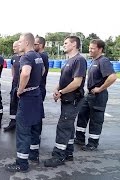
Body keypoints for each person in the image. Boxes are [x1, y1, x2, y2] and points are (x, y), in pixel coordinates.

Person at [44, 36, 87, 167]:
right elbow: (64, 79)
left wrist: (61, 92)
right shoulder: (69, 60)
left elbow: (76, 82)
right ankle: (68, 153)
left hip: (73, 99)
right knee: (68, 126)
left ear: (74, 44)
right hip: (67, 99)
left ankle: (58, 156)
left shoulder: (79, 60)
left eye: (65, 43)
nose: (64, 45)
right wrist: (57, 89)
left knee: (63, 127)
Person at [5, 33, 44, 173]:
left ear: (27, 43)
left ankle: (22, 163)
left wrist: (20, 89)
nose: (18, 44)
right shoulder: (38, 56)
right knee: (34, 127)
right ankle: (34, 155)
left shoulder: (26, 57)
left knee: (23, 131)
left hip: (27, 97)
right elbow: (43, 70)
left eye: (20, 42)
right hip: (36, 95)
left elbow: (25, 73)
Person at [75, 39, 117, 151]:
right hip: (89, 95)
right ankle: (79, 139)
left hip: (98, 96)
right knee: (82, 116)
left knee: (95, 120)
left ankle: (93, 144)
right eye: (89, 48)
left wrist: (100, 88)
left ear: (100, 49)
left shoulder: (103, 61)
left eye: (92, 48)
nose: (90, 50)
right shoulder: (94, 61)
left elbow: (112, 77)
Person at [3, 41, 22, 132]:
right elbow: (13, 68)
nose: (13, 48)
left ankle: (21, 124)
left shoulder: (25, 57)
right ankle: (12, 122)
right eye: (13, 46)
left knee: (21, 105)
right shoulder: (14, 57)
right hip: (14, 84)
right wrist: (13, 79)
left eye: (15, 46)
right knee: (13, 103)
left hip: (22, 85)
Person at [34, 36, 49, 101]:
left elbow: (42, 71)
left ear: (40, 45)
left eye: (35, 44)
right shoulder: (40, 55)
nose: (33, 46)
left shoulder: (42, 56)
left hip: (39, 87)